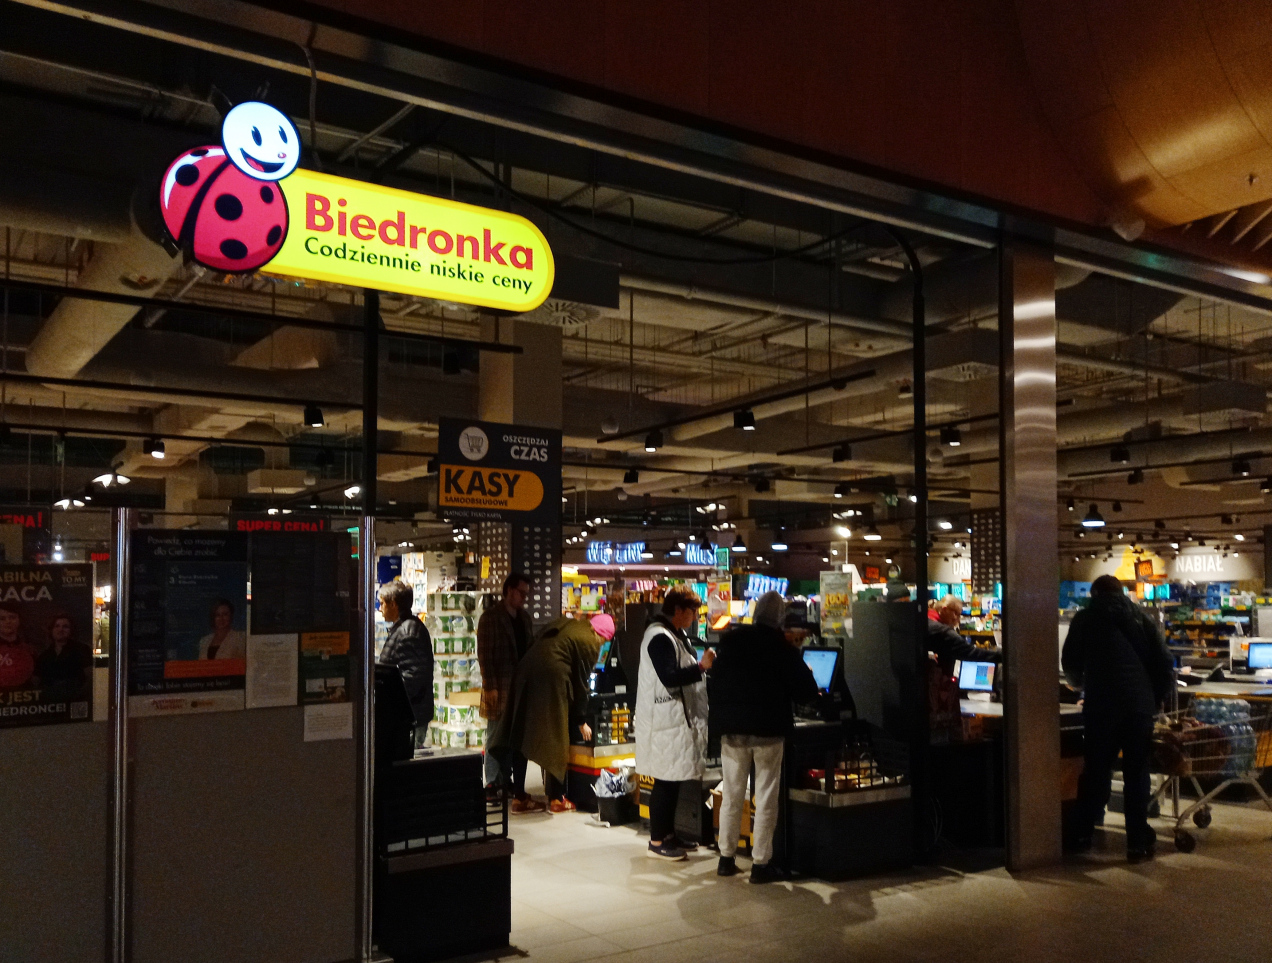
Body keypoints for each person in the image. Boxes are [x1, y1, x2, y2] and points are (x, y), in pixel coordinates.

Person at [1063, 574, 1174, 862]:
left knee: (1097, 770)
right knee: (1137, 773)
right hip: (1139, 707)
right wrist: (1155, 698)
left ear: (1094, 594)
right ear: (1121, 592)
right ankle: (1137, 842)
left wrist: (1080, 684)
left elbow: (1070, 663)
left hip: (1101, 706)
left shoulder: (1085, 619)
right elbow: (1165, 662)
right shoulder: (1141, 618)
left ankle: (1082, 834)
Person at [709, 591, 818, 883]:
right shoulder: (782, 648)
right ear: (779, 618)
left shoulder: (730, 642)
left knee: (732, 795)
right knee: (766, 796)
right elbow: (806, 691)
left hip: (732, 729)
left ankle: (726, 858)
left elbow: (715, 681)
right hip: (768, 731)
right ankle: (760, 864)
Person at [494, 613, 610, 814]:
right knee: (557, 735)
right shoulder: (590, 642)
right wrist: (581, 720)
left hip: (525, 672)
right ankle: (557, 798)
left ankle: (519, 798)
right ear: (603, 636)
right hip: (551, 678)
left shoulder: (569, 625)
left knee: (521, 733)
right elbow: (582, 683)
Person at [635, 586, 712, 860]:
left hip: (675, 721)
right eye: (692, 611)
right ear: (678, 610)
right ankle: (657, 841)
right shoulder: (659, 637)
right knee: (665, 781)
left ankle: (668, 834)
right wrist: (701, 667)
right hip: (664, 723)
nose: (695, 616)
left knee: (674, 778)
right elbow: (668, 677)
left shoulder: (674, 634)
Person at [479, 572, 542, 813]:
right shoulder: (490, 618)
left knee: (515, 738)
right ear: (508, 590)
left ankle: (507, 782)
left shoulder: (524, 618)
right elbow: (485, 655)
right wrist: (490, 686)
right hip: (499, 686)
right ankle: (492, 783)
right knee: (496, 736)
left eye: (527, 594)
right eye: (521, 593)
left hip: (520, 688)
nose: (524, 598)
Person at [377, 580, 434, 744]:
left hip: (409, 718)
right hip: (405, 716)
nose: (380, 608)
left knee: (408, 758)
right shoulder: (404, 628)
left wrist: (390, 702)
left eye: (382, 603)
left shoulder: (408, 632)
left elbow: (413, 678)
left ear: (393, 604)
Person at [927, 594, 1001, 676]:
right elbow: (970, 652)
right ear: (944, 609)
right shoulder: (942, 631)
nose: (958, 619)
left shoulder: (924, 620)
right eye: (956, 614)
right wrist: (1004, 655)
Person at [34, 614, 91, 702]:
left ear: (71, 630)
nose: (61, 630)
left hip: (75, 700)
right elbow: (37, 680)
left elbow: (90, 677)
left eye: (65, 627)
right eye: (57, 626)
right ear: (51, 630)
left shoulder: (82, 649)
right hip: (51, 702)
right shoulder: (44, 655)